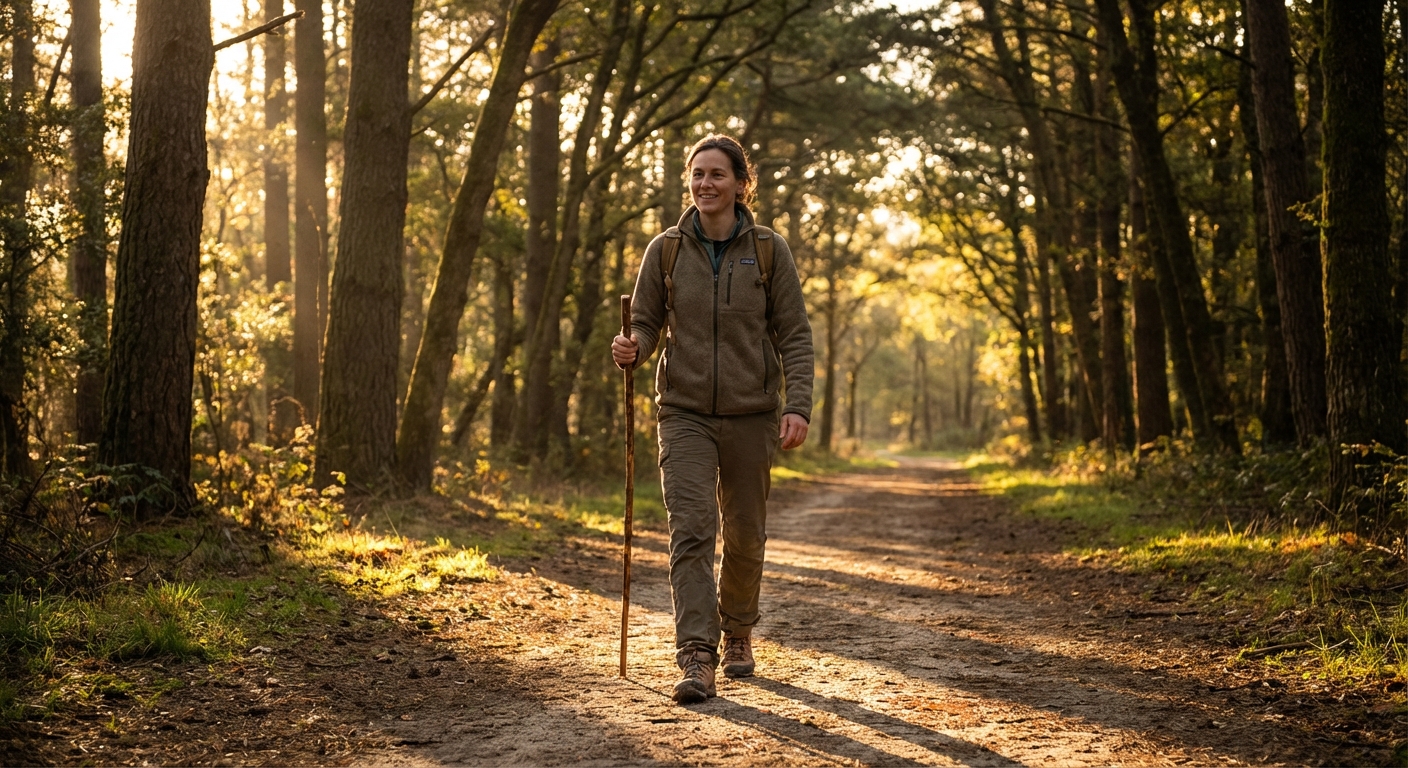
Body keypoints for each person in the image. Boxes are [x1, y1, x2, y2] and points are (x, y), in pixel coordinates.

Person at [612, 134, 814, 704]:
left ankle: (738, 631)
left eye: (717, 175)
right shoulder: (667, 250)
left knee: (746, 535)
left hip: (753, 414)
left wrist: (796, 405)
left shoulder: (770, 251)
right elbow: (646, 325)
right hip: (684, 412)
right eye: (697, 174)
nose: (705, 184)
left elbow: (795, 335)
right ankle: (697, 655)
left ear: (741, 184)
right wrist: (632, 347)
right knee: (693, 530)